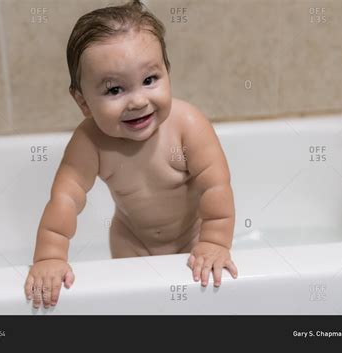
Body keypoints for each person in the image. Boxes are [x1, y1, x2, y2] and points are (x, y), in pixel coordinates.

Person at [25, 0, 238, 309]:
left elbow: (216, 187)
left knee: (198, 308)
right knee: (137, 309)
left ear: (167, 72)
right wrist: (49, 257)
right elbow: (65, 199)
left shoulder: (188, 126)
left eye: (150, 80)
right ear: (83, 102)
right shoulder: (90, 141)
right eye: (114, 90)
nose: (138, 101)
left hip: (193, 238)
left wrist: (215, 243)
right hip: (131, 243)